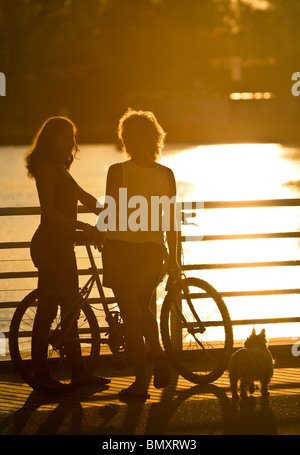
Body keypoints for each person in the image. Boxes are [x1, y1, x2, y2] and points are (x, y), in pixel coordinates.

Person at [102, 108, 180, 399]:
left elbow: (110, 213)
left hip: (121, 249)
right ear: (155, 138)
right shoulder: (166, 174)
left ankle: (140, 381)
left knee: (132, 314)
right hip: (152, 251)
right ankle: (158, 357)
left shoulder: (118, 171)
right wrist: (172, 257)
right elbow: (172, 221)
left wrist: (96, 231)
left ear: (126, 139)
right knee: (143, 309)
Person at [25, 116, 109, 387]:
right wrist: (83, 225)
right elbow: (49, 213)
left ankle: (78, 372)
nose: (70, 142)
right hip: (50, 246)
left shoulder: (61, 168)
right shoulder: (47, 168)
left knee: (71, 308)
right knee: (48, 311)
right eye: (64, 136)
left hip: (63, 245)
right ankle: (41, 375)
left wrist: (111, 214)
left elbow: (83, 196)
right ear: (50, 139)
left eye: (72, 136)